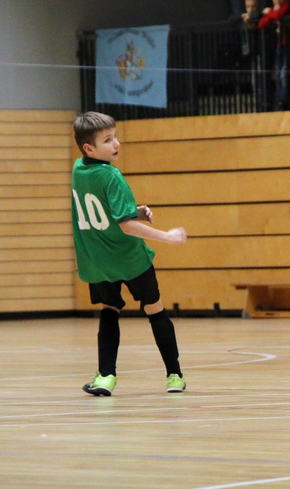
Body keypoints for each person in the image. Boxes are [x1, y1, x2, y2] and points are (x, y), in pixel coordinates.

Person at [71, 112, 188, 396]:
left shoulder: (78, 170)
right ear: (89, 148)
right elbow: (125, 226)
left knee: (109, 311)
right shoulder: (111, 175)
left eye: (115, 137)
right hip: (129, 258)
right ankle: (174, 376)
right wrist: (167, 236)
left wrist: (133, 211)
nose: (116, 144)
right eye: (107, 140)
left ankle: (106, 377)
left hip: (99, 261)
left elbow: (102, 211)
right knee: (154, 309)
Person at [259, 0, 290, 110]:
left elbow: (278, 15)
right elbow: (262, 24)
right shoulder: (273, 10)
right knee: (278, 73)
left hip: (288, 43)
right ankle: (278, 99)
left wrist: (269, 12)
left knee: (284, 72)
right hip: (278, 44)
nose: (278, 0)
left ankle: (284, 100)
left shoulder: (286, 6)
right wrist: (271, 13)